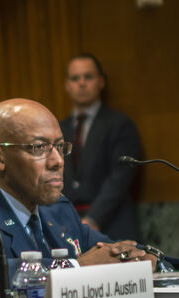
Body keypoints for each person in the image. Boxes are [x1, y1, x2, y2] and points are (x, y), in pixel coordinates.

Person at [0, 98, 157, 293]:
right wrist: (74, 267)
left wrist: (143, 259)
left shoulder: (57, 209)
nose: (57, 161)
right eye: (39, 148)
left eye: (60, 147)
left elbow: (109, 251)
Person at [60, 53, 142, 240]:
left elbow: (120, 177)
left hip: (113, 225)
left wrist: (93, 218)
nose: (82, 83)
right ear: (67, 85)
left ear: (101, 82)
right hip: (67, 227)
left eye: (88, 77)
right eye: (75, 78)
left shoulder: (120, 124)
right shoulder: (57, 129)